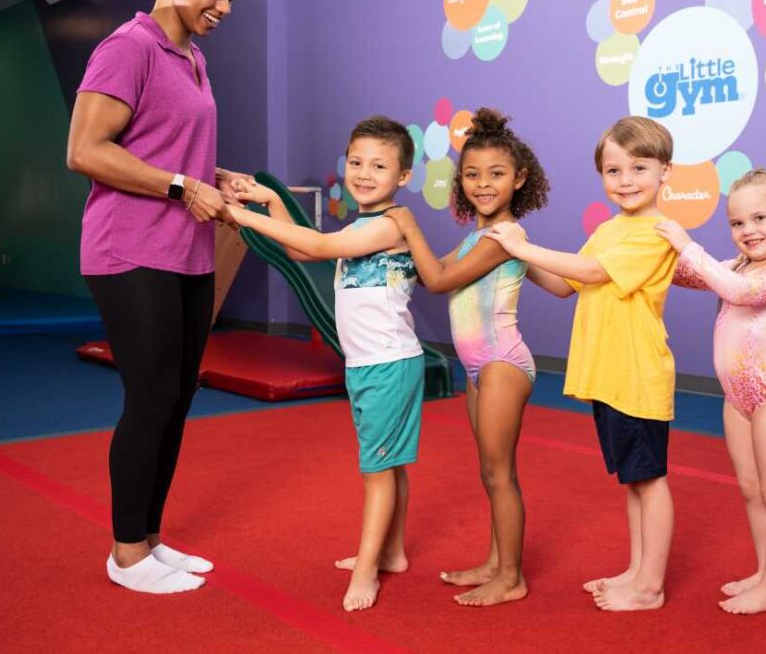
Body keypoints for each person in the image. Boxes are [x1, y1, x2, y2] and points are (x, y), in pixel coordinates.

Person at [66, 0, 249, 594]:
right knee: (149, 396)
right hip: (129, 247)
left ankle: (149, 538)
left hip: (188, 251)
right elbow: (87, 149)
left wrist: (215, 174)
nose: (224, 7)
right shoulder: (128, 47)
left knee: (175, 397)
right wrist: (181, 184)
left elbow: (165, 145)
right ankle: (125, 553)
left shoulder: (194, 57)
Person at [228, 116, 422, 613]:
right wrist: (271, 202)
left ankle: (367, 567)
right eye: (356, 162)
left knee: (377, 470)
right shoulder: (361, 224)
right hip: (368, 363)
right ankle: (393, 552)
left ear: (402, 177)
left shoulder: (387, 224)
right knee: (389, 462)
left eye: (379, 165)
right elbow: (300, 247)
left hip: (387, 363)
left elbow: (317, 246)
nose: (363, 173)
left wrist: (244, 216)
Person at [487, 116, 678, 612]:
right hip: (609, 375)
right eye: (614, 171)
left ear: (665, 172)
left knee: (650, 480)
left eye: (639, 168)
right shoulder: (610, 229)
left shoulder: (656, 232)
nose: (626, 180)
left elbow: (591, 271)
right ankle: (637, 572)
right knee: (633, 481)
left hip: (637, 373)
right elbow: (565, 283)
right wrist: (515, 255)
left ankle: (650, 585)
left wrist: (522, 246)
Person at [384, 108, 550, 606]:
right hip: (479, 368)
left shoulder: (502, 238)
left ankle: (512, 577)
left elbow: (436, 281)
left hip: (502, 362)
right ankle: (496, 563)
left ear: (519, 179)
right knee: (489, 471)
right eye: (472, 174)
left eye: (496, 174)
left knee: (500, 473)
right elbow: (432, 270)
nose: (482, 184)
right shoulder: (483, 237)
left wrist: (407, 223)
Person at [656, 169, 766, 615]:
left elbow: (740, 294)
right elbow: (684, 275)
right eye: (738, 223)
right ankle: (765, 572)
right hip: (736, 396)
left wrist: (688, 244)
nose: (748, 231)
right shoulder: (736, 265)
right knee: (750, 488)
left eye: (760, 218)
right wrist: (648, 246)